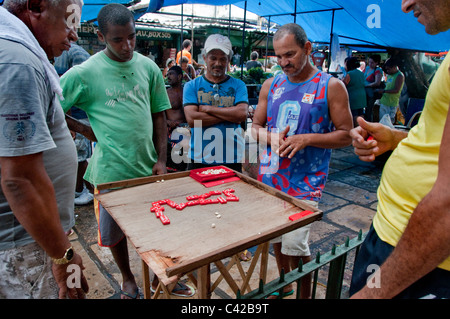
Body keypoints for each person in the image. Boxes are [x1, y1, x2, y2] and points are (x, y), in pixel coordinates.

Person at [58, 3, 194, 299]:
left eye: (131, 37)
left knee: (158, 226)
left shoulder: (147, 67)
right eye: (118, 39)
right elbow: (51, 107)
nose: (127, 45)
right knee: (115, 233)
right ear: (101, 35)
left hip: (149, 168)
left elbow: (160, 114)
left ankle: (162, 275)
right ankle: (128, 278)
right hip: (110, 172)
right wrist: (84, 129)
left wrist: (161, 159)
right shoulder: (85, 73)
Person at [349, 0, 450, 299]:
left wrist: (373, 295)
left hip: (424, 260)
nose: (405, 5)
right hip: (395, 237)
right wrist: (397, 139)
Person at [251, 23, 352, 299]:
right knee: (278, 240)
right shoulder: (271, 85)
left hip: (307, 181)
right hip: (271, 176)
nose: (284, 62)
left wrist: (306, 139)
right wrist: (270, 138)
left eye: (290, 55)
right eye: (279, 56)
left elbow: (346, 135)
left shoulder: (331, 87)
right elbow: (254, 127)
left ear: (307, 49)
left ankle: (303, 295)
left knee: (295, 245)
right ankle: (285, 285)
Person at [0, 0, 88, 299]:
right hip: (26, 245)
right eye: (69, 21)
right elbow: (19, 180)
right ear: (36, 6)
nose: (74, 35)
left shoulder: (21, 55)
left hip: (38, 235)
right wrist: (64, 258)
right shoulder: (18, 63)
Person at [183, 33, 249, 173]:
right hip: (199, 158)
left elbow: (241, 114)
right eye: (213, 58)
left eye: (222, 59)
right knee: (197, 195)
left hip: (232, 158)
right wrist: (230, 114)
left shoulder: (239, 85)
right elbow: (193, 120)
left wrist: (208, 109)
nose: (218, 63)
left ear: (229, 60)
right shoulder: (192, 86)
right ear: (205, 58)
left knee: (231, 194)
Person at [54, 42, 94, 207]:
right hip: (73, 115)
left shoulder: (75, 54)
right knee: (76, 155)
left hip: (79, 115)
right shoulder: (58, 52)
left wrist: (70, 122)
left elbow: (68, 91)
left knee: (80, 156)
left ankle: (85, 190)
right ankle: (80, 189)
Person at [166, 65, 189, 172]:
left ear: (179, 76)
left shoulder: (188, 92)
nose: (168, 77)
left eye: (171, 74)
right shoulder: (166, 94)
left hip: (189, 131)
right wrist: (168, 122)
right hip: (173, 131)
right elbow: (158, 115)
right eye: (167, 74)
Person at [376, 58, 405, 124]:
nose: (387, 71)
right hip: (384, 102)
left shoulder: (399, 76)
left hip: (392, 103)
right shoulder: (390, 75)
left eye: (389, 69)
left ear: (394, 67)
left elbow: (396, 90)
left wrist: (383, 91)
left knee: (388, 123)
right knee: (382, 122)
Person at [342, 56, 367, 127]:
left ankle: (356, 130)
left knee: (354, 115)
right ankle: (362, 128)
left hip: (353, 98)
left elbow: (343, 85)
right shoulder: (361, 73)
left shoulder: (349, 74)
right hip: (362, 97)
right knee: (361, 114)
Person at [363, 54, 383, 121]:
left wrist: (367, 85)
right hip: (364, 92)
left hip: (371, 93)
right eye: (369, 62)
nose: (370, 64)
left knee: (369, 110)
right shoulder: (367, 68)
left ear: (377, 63)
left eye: (372, 62)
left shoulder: (378, 70)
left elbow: (377, 82)